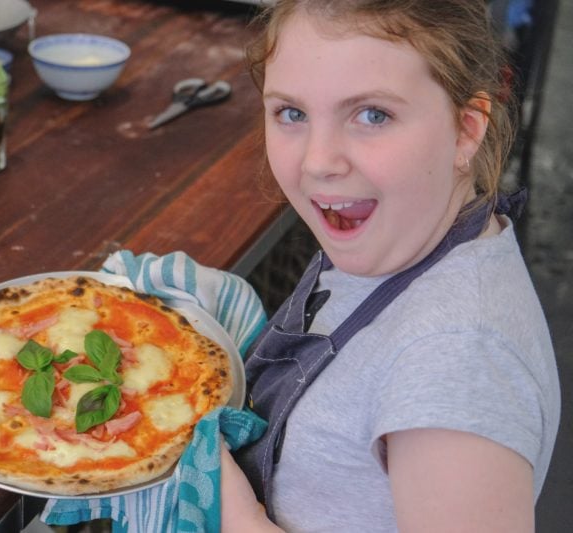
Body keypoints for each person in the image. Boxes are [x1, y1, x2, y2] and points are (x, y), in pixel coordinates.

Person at [219, 1, 561, 531]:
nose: (318, 161)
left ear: (467, 129)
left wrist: (230, 511)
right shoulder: (395, 229)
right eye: (292, 113)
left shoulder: (457, 367)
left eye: (373, 115)